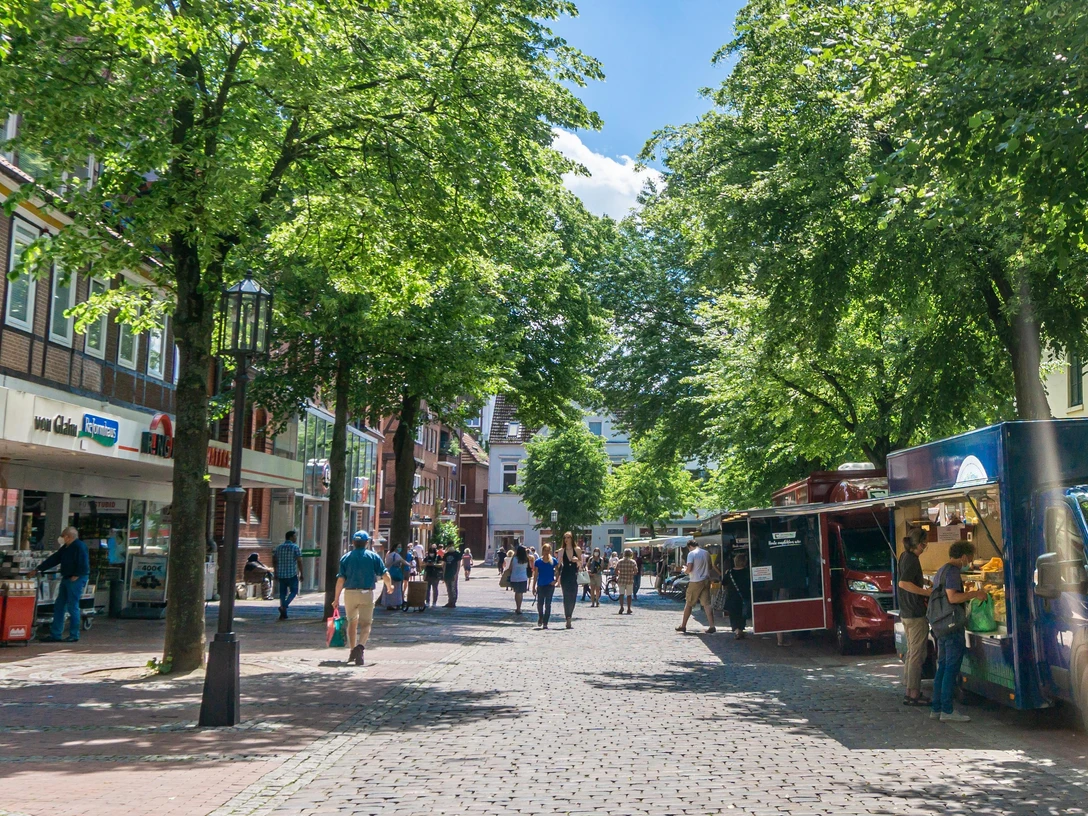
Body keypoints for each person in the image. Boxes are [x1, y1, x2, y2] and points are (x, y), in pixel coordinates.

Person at [930, 541, 986, 722]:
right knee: (951, 669)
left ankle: (936, 708)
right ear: (963, 556)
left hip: (941, 625)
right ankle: (947, 710)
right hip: (952, 626)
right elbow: (953, 597)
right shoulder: (953, 572)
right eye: (970, 558)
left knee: (942, 668)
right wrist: (975, 594)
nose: (970, 561)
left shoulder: (941, 571)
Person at [333, 531, 394, 666]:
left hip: (349, 594)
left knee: (352, 622)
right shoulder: (373, 556)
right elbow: (385, 574)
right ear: (367, 543)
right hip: (366, 593)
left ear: (353, 543)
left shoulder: (346, 557)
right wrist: (389, 587)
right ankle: (360, 647)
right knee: (366, 624)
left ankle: (352, 649)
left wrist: (336, 598)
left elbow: (340, 580)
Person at [32, 526, 90, 643]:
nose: (61, 538)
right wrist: (39, 568)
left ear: (68, 537)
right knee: (59, 605)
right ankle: (55, 634)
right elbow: (55, 558)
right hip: (67, 577)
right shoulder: (66, 547)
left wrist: (77, 574)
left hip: (75, 579)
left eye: (63, 536)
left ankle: (74, 635)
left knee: (72, 606)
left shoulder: (79, 546)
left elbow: (84, 563)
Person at [898, 528, 932, 706]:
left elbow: (908, 578)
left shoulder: (904, 556)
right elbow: (903, 582)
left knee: (912, 653)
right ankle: (913, 693)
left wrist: (923, 581)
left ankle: (909, 691)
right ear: (920, 544)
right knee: (917, 655)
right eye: (925, 544)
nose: (925, 548)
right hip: (915, 613)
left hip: (906, 612)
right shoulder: (912, 559)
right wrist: (925, 592)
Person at [677, 539, 716, 634]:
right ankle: (712, 625)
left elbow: (690, 568)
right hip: (706, 580)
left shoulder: (691, 554)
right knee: (707, 604)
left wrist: (684, 570)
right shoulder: (706, 553)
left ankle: (683, 625)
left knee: (689, 602)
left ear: (690, 546)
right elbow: (710, 567)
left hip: (695, 580)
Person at [272, 530, 303, 620]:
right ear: (290, 537)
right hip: (292, 574)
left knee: (282, 593)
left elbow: (274, 560)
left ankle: (283, 613)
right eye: (294, 536)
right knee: (293, 592)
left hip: (281, 574)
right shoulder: (295, 547)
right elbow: (299, 561)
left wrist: (276, 572)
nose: (295, 538)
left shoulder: (279, 548)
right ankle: (284, 606)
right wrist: (301, 573)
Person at [557, 531, 582, 629]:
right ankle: (568, 617)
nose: (566, 539)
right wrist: (558, 564)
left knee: (573, 597)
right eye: (565, 538)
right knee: (566, 597)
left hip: (574, 575)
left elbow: (581, 565)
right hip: (565, 575)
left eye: (568, 537)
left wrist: (578, 561)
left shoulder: (577, 550)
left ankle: (570, 615)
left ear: (572, 539)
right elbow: (558, 565)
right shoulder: (561, 551)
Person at [724, 551, 751, 639]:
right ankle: (740, 629)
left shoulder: (729, 572)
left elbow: (724, 583)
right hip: (744, 596)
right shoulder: (747, 572)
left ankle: (737, 630)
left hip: (732, 597)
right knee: (742, 614)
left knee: (733, 615)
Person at [533, 542, 558, 629]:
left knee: (548, 604)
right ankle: (540, 617)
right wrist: (533, 586)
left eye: (548, 550)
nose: (547, 552)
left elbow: (558, 571)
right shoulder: (538, 562)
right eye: (545, 550)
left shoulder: (553, 561)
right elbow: (535, 574)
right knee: (540, 604)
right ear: (542, 551)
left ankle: (545, 622)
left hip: (550, 586)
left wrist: (555, 581)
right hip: (541, 585)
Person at [380, 545, 408, 610]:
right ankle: (395, 604)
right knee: (396, 590)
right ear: (395, 548)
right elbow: (403, 561)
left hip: (388, 573)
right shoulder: (396, 555)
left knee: (387, 588)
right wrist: (410, 565)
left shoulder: (388, 554)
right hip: (395, 573)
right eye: (399, 547)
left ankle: (388, 604)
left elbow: (386, 563)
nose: (400, 548)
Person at [615, 548, 638, 615]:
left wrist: (619, 573)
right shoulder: (633, 562)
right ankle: (628, 608)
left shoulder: (620, 561)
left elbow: (616, 570)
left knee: (621, 594)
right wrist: (632, 573)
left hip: (621, 579)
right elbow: (636, 571)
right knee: (629, 595)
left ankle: (621, 607)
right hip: (629, 579)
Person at [509, 544, 531, 614]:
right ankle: (519, 608)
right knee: (520, 593)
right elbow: (528, 567)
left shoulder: (514, 558)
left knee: (517, 592)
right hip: (523, 578)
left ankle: (517, 607)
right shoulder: (526, 559)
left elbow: (510, 568)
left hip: (514, 577)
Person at [442, 543, 462, 608]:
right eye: (449, 545)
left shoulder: (457, 554)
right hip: (447, 573)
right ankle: (450, 601)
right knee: (448, 588)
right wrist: (443, 574)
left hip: (453, 573)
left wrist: (456, 573)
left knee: (453, 588)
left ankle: (453, 602)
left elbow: (459, 564)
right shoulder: (446, 554)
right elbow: (444, 565)